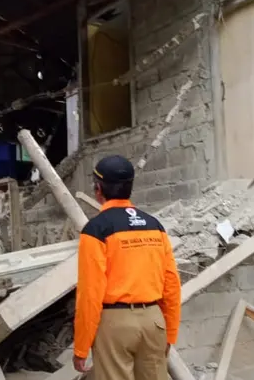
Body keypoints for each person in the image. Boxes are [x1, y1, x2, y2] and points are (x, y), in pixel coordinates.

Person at [72, 155, 181, 380]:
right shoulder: (155, 227)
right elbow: (171, 285)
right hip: (153, 321)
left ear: (98, 188)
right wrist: (169, 333)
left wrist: (81, 347)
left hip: (115, 326)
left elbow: (90, 293)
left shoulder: (96, 230)